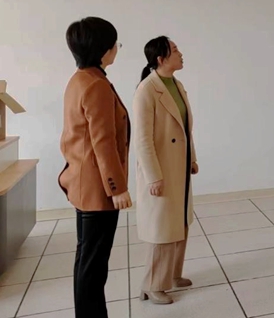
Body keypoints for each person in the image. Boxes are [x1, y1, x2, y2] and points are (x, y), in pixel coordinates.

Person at [58, 17, 133, 318]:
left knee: (86, 260)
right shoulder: (96, 85)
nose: (117, 49)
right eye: (115, 44)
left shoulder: (79, 79)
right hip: (98, 189)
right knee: (93, 266)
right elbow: (104, 142)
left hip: (83, 183)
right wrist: (118, 188)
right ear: (104, 49)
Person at [133, 36, 198, 305]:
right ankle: (152, 285)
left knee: (180, 222)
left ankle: (172, 275)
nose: (180, 53)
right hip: (161, 170)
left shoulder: (177, 85)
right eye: (174, 50)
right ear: (160, 59)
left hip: (179, 166)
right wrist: (153, 177)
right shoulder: (147, 90)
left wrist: (192, 158)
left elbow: (185, 128)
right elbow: (142, 140)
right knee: (161, 228)